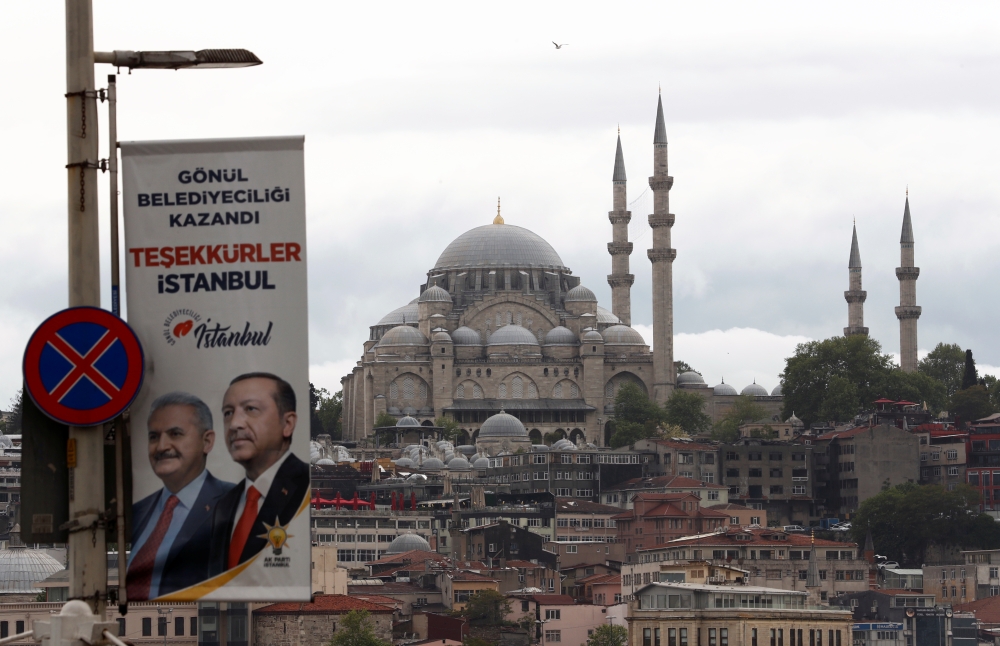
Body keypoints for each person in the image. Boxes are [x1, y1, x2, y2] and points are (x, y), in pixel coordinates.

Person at [128, 392, 235, 600]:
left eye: (175, 434)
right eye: (154, 437)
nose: (162, 446)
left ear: (207, 441)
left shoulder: (236, 504)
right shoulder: (137, 512)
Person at [208, 372, 310, 576]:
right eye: (228, 412)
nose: (235, 424)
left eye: (251, 409)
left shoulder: (307, 487)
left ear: (287, 424)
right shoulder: (223, 504)